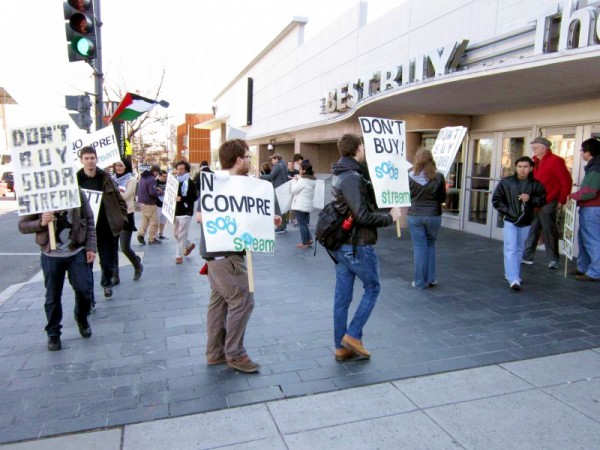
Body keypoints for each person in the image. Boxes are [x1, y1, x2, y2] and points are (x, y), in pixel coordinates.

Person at [196, 139, 281, 373]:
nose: (250, 161)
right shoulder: (218, 184)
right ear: (238, 160)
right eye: (248, 156)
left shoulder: (229, 184)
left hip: (218, 256)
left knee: (220, 303)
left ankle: (215, 352)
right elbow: (201, 216)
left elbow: (242, 216)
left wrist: (266, 220)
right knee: (243, 300)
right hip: (226, 256)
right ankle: (235, 353)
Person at [330, 133, 402, 362]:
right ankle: (352, 336)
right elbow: (361, 215)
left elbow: (362, 203)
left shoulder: (344, 174)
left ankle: (341, 346)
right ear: (358, 148)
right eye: (363, 146)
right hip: (356, 244)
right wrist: (389, 218)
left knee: (343, 296)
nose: (365, 150)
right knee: (373, 287)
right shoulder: (351, 177)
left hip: (343, 244)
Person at [18, 190, 96, 351]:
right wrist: (41, 222)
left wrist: (90, 247)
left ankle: (81, 317)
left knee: (84, 289)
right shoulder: (36, 196)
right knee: (53, 295)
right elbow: (23, 226)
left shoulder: (76, 192)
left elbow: (89, 220)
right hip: (51, 255)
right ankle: (53, 333)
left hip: (76, 251)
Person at [77, 147, 128, 300]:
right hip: (86, 229)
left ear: (97, 159)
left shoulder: (105, 178)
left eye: (92, 158)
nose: (89, 161)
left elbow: (120, 200)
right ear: (81, 160)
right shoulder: (76, 180)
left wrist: (122, 217)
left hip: (106, 226)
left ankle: (106, 283)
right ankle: (90, 295)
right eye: (86, 158)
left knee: (107, 261)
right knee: (87, 264)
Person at [492, 156, 546, 291]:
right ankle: (513, 278)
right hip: (510, 220)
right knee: (511, 248)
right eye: (520, 167)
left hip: (526, 221)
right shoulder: (506, 182)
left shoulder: (536, 184)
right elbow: (496, 200)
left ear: (531, 168)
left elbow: (542, 200)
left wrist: (531, 199)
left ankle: (512, 273)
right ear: (516, 168)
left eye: (525, 167)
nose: (522, 169)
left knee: (520, 249)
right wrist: (508, 212)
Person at [522, 137, 572, 269]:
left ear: (545, 148)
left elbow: (566, 182)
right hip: (536, 202)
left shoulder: (555, 161)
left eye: (536, 147)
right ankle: (527, 256)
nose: (534, 149)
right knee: (533, 229)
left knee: (549, 230)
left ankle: (554, 259)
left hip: (549, 201)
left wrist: (561, 200)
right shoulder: (534, 161)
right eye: (533, 147)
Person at [407, 148, 447, 289]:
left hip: (415, 215)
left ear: (417, 159)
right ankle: (431, 279)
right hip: (434, 215)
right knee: (430, 245)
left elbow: (406, 197)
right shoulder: (439, 177)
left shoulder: (409, 176)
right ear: (431, 159)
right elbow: (443, 198)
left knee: (419, 248)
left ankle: (419, 282)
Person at [569, 138, 600, 282]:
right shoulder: (594, 166)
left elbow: (590, 191)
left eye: (582, 150)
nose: (581, 153)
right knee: (583, 238)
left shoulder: (596, 167)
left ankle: (595, 272)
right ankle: (583, 266)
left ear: (588, 152)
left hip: (593, 208)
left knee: (592, 240)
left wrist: (572, 195)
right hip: (591, 208)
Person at [112, 158, 143, 281]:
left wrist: (112, 194)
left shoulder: (131, 179)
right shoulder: (111, 179)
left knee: (124, 247)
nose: (118, 168)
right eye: (117, 165)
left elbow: (126, 195)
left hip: (126, 215)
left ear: (126, 167)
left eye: (121, 165)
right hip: (113, 215)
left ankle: (137, 265)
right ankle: (115, 276)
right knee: (113, 248)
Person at [174, 160, 198, 264]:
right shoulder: (174, 182)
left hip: (186, 212)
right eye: (178, 169)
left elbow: (194, 197)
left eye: (181, 169)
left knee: (181, 235)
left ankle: (179, 256)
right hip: (175, 212)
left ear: (186, 170)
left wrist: (182, 199)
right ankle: (188, 245)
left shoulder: (190, 183)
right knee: (176, 234)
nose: (179, 171)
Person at [290, 159, 316, 249]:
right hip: (307, 204)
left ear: (304, 170)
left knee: (302, 224)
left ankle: (304, 242)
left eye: (300, 169)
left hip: (300, 205)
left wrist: (294, 181)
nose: (299, 170)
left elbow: (294, 190)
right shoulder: (312, 180)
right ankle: (309, 239)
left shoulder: (303, 180)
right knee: (304, 223)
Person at [260, 153, 288, 233]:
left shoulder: (278, 166)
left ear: (276, 159)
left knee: (278, 208)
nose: (272, 161)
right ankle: (283, 225)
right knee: (281, 208)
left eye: (272, 159)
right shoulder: (283, 164)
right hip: (283, 188)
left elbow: (271, 177)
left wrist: (260, 176)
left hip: (278, 189)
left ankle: (280, 227)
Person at [137, 165, 162, 245]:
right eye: (157, 173)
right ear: (155, 172)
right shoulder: (152, 179)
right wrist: (160, 192)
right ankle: (152, 238)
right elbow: (152, 192)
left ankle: (140, 234)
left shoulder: (143, 177)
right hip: (150, 203)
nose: (157, 175)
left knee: (145, 220)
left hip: (142, 203)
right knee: (154, 221)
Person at [156, 170, 169, 239]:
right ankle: (155, 234)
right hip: (157, 204)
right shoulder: (156, 182)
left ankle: (161, 233)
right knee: (157, 220)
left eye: (166, 176)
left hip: (165, 204)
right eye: (164, 176)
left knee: (163, 221)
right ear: (160, 176)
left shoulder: (168, 182)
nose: (165, 178)